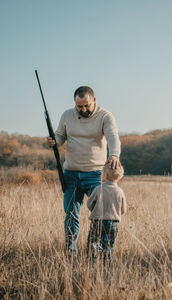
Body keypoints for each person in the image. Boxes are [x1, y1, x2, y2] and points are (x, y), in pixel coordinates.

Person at [47, 86, 121, 255]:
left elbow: (113, 137)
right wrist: (54, 141)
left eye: (86, 105)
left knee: (101, 215)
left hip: (95, 174)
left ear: (94, 101)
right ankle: (70, 251)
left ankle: (96, 249)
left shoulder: (105, 116)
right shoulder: (67, 115)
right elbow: (59, 136)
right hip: (71, 173)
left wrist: (115, 155)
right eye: (79, 106)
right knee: (71, 214)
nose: (83, 109)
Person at [87, 163, 126, 266]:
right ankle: (107, 265)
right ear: (120, 176)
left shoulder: (98, 188)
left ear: (104, 175)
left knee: (93, 242)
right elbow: (123, 209)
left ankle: (93, 263)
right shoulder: (120, 191)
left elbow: (89, 203)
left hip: (97, 221)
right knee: (108, 245)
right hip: (113, 223)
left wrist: (95, 210)